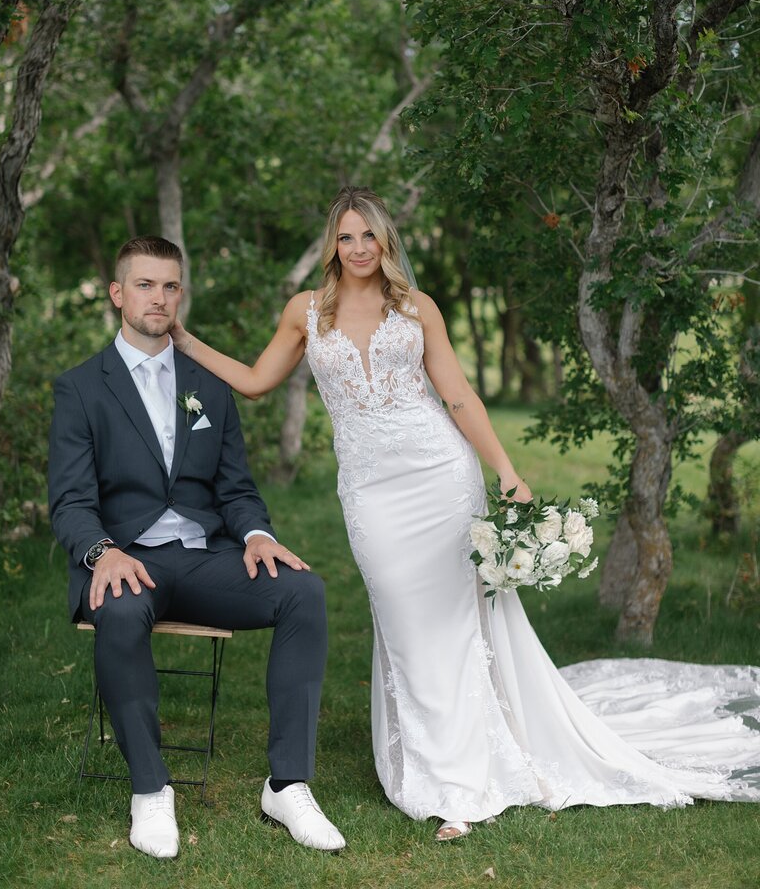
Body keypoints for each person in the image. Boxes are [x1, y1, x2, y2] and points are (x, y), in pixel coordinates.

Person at [171, 188, 760, 840]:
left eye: (370, 236)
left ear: (386, 241)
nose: (360, 248)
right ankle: (442, 768)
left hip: (441, 479)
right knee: (405, 623)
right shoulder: (304, 313)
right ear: (331, 246)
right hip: (370, 493)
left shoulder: (416, 309)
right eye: (346, 237)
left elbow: (457, 396)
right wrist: (183, 338)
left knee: (454, 627)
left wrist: (506, 470)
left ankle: (456, 786)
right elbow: (256, 382)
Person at [48, 235, 346, 859]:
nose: (159, 298)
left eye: (170, 285)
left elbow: (235, 487)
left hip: (205, 558)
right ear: (117, 293)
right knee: (122, 610)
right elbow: (71, 502)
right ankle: (151, 790)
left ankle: (288, 783)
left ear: (181, 293)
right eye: (145, 284)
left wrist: (259, 534)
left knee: (303, 591)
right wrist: (102, 553)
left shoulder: (208, 384)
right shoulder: (81, 388)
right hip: (128, 558)